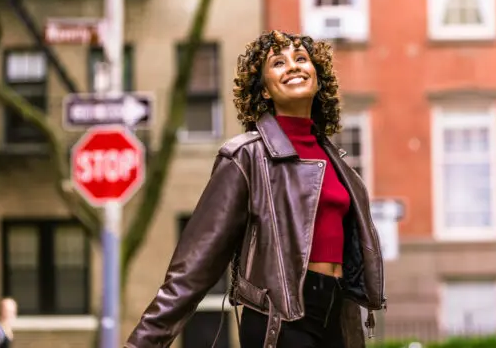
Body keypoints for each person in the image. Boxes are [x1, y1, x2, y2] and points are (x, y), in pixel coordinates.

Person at [125, 31, 386, 348]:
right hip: (281, 321)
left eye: (301, 59)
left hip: (339, 314)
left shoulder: (337, 163)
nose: (292, 66)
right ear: (264, 90)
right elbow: (192, 269)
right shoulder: (245, 157)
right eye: (278, 63)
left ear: (319, 80)